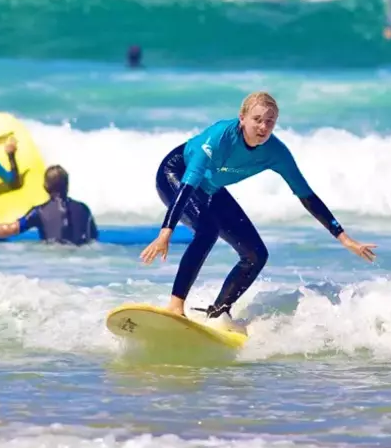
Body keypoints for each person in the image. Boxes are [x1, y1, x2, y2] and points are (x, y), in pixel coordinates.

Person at [139, 91, 377, 322]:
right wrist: (166, 232)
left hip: (210, 187)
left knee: (256, 255)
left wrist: (343, 237)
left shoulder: (276, 152)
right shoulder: (220, 137)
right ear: (242, 118)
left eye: (270, 122)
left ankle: (219, 312)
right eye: (257, 119)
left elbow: (307, 195)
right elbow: (190, 182)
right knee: (207, 230)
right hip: (177, 175)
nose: (263, 127)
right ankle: (175, 306)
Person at [0, 165, 98, 245]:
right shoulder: (84, 209)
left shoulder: (39, 211)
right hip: (81, 259)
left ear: (45, 187)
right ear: (67, 186)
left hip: (55, 258)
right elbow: (93, 237)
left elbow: (10, 229)